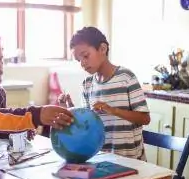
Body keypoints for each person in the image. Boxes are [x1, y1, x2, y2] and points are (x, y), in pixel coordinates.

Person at [58, 27, 150, 160]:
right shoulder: (87, 84)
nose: (82, 63)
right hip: (101, 159)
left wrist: (113, 110)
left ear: (102, 49)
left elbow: (145, 118)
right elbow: (86, 125)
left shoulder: (126, 77)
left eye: (85, 56)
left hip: (131, 162)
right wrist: (69, 109)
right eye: (79, 60)